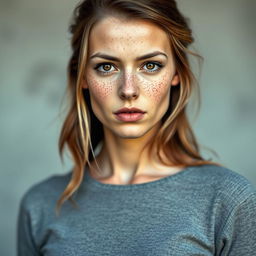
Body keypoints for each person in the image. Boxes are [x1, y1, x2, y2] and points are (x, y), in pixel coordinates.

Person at [17, 0, 256, 255]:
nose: (128, 90)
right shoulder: (41, 205)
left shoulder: (228, 200)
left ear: (176, 72)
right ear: (83, 76)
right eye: (106, 67)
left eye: (150, 65)